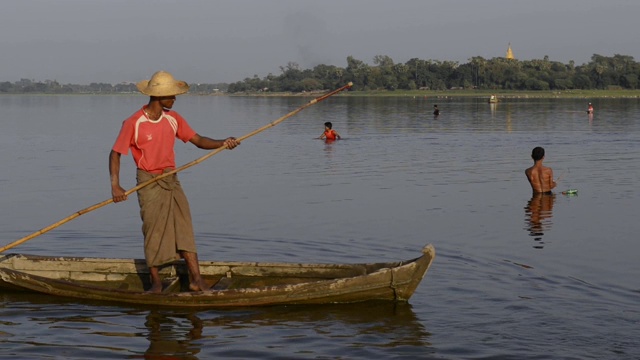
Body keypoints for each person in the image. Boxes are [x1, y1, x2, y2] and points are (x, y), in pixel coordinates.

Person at [109, 70, 240, 293]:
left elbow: (198, 140)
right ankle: (157, 283)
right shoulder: (134, 122)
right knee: (153, 229)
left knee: (184, 227)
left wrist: (222, 143)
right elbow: (115, 153)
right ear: (159, 97)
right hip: (148, 181)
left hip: (171, 178)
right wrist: (115, 185)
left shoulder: (173, 118)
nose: (175, 99)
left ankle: (196, 279)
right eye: (171, 95)